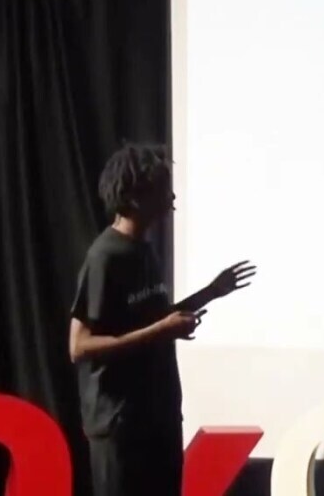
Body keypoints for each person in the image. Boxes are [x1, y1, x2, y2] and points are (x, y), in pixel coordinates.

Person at [69, 141, 256, 496]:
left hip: (158, 418)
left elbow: (152, 320)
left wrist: (211, 292)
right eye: (161, 189)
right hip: (121, 427)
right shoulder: (105, 257)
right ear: (135, 197)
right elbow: (79, 346)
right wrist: (160, 331)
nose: (171, 197)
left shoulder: (144, 250)